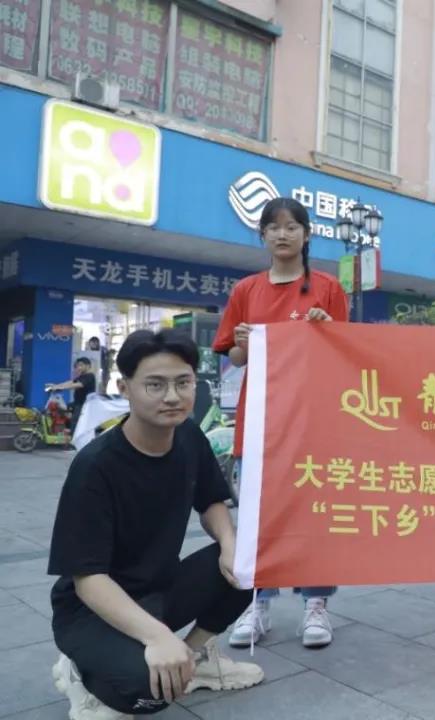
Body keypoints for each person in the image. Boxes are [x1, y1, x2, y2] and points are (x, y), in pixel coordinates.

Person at [48, 329, 263, 719]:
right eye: (155, 385)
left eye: (183, 383)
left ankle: (194, 659)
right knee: (149, 691)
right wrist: (158, 635)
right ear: (125, 388)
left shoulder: (188, 436)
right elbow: (88, 579)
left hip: (160, 589)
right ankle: (79, 673)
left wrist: (231, 546)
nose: (172, 396)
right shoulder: (95, 467)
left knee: (254, 559)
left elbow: (211, 501)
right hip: (90, 610)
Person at [212, 197, 349, 649]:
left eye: (292, 226)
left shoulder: (327, 288)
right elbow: (234, 356)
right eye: (273, 227)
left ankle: (316, 603)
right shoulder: (246, 290)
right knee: (258, 513)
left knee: (315, 509)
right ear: (263, 236)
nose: (283, 234)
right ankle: (257, 602)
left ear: (307, 235)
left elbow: (345, 353)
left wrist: (327, 330)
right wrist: (243, 343)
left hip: (313, 418)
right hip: (260, 419)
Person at [47, 357, 96, 432]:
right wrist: (56, 386)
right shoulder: (82, 376)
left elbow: (78, 385)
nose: (79, 367)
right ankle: (63, 428)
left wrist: (60, 388)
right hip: (77, 403)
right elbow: (71, 382)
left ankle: (73, 435)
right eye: (78, 365)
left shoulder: (90, 376)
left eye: (81, 365)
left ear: (88, 366)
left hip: (84, 405)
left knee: (75, 423)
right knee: (60, 408)